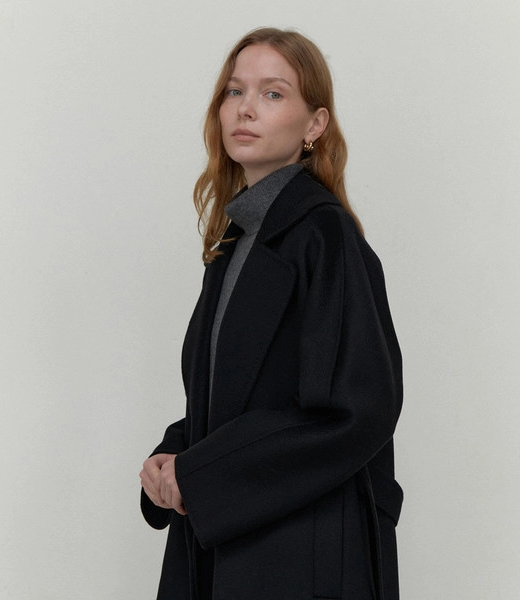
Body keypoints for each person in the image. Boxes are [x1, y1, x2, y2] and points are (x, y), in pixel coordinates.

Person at [140, 27, 403, 600]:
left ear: (315, 125)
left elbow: (355, 412)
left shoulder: (324, 236)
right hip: (231, 540)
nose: (246, 108)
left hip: (300, 550)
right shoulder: (239, 241)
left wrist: (201, 474)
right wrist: (172, 454)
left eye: (273, 93)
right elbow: (236, 399)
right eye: (235, 91)